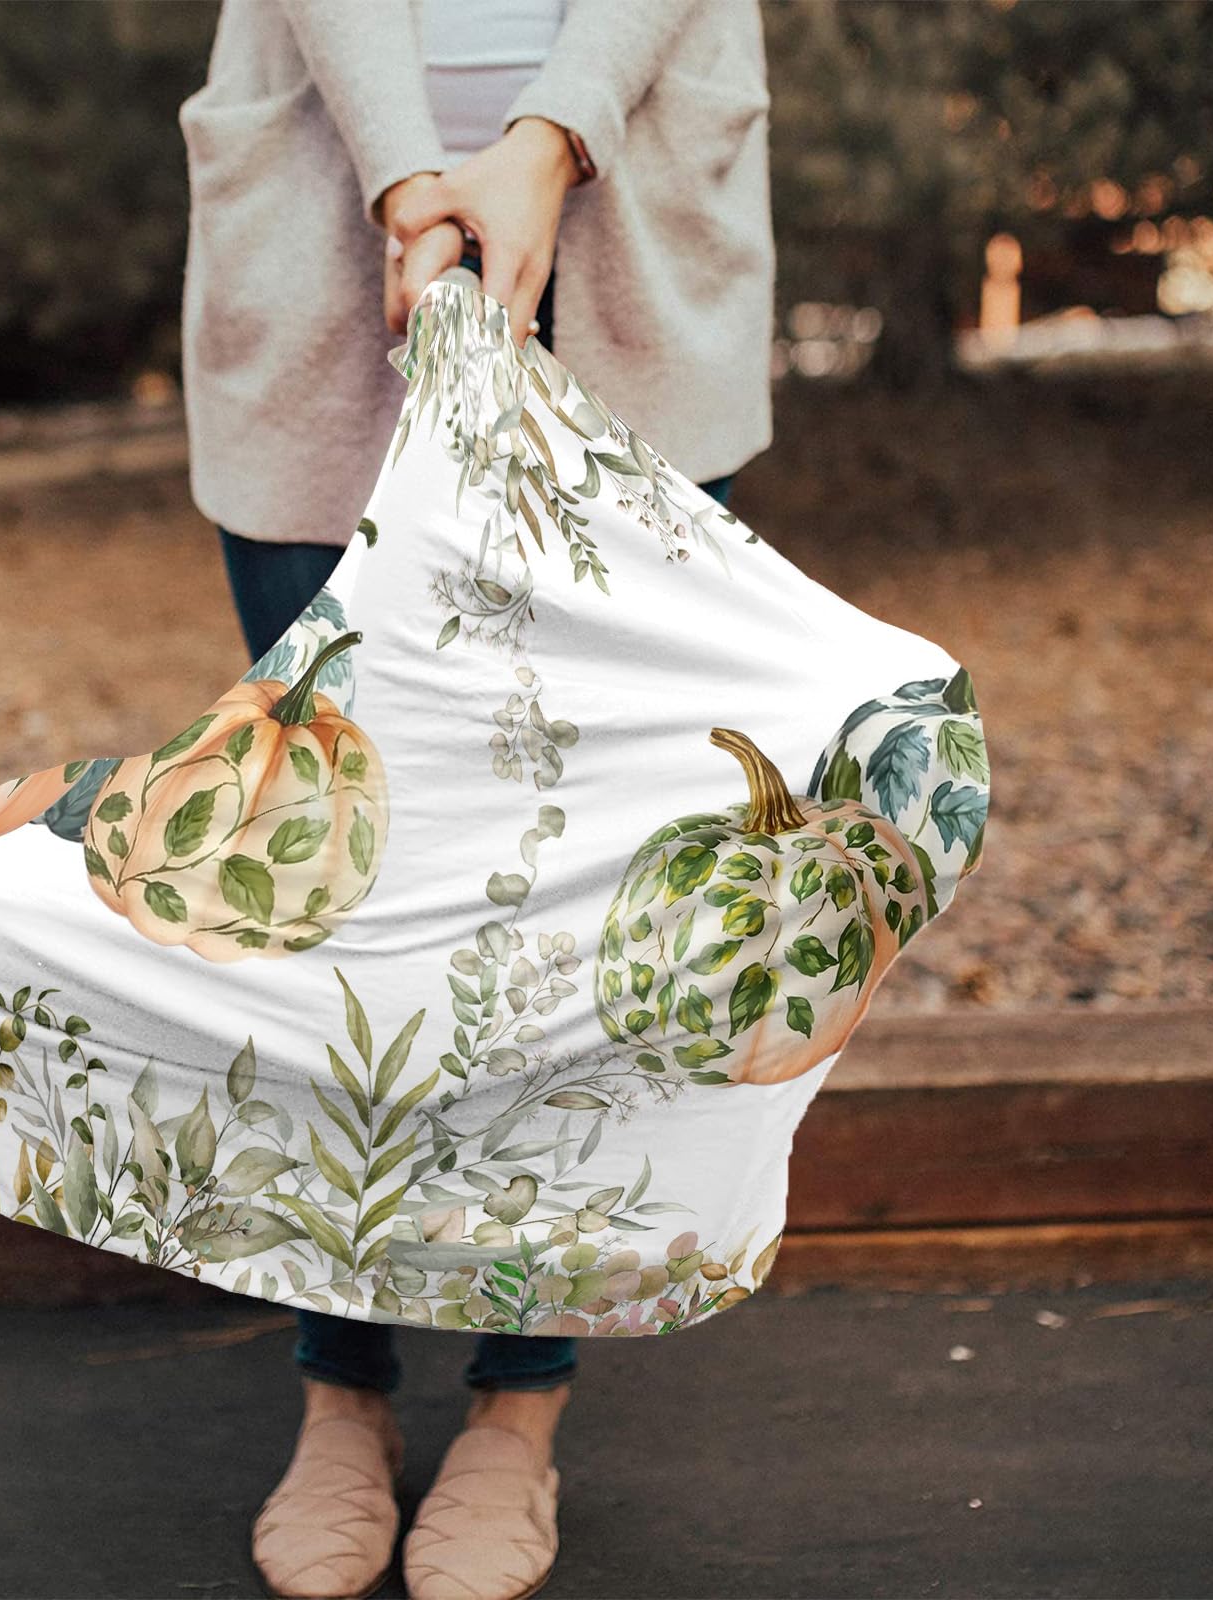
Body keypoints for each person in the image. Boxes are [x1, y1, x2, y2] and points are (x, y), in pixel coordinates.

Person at [177, 3, 774, 1595]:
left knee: (576, 881)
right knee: (333, 866)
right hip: (327, 218)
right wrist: (404, 179)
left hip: (631, 216)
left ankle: (520, 1405)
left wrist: (547, 137)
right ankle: (341, 1387)